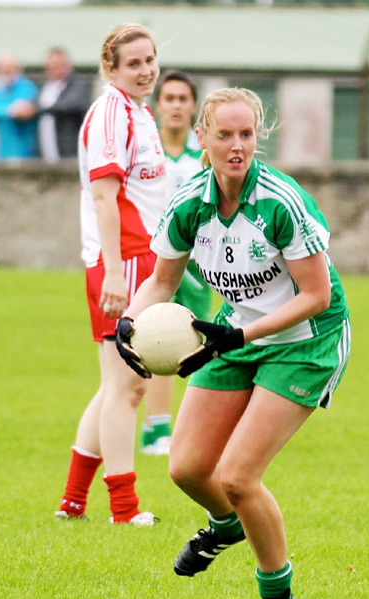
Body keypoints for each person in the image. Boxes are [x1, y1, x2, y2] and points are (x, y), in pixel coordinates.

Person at [115, 87, 351, 599]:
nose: (237, 145)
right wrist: (129, 321)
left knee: (238, 477)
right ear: (203, 137)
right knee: (188, 468)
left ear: (257, 138)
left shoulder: (280, 201)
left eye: (247, 134)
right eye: (225, 134)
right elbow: (161, 281)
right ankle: (226, 526)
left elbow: (316, 296)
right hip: (236, 334)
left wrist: (240, 336)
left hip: (305, 342)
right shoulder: (189, 206)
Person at [55, 23, 169, 525]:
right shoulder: (110, 113)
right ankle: (124, 509)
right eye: (134, 63)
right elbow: (104, 196)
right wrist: (115, 275)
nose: (146, 70)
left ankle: (73, 502)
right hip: (119, 260)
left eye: (150, 60)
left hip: (139, 257)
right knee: (130, 387)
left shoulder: (139, 113)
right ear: (111, 69)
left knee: (114, 385)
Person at [140, 70, 212, 455]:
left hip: (198, 264)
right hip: (155, 260)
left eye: (184, 99)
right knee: (155, 336)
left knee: (195, 342)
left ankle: (190, 429)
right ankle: (156, 428)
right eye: (169, 98)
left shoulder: (201, 159)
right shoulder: (148, 156)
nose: (177, 105)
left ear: (194, 106)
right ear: (157, 106)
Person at [37, 48, 91, 162]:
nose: (54, 68)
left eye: (58, 64)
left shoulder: (78, 83)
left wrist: (39, 109)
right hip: (46, 148)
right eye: (51, 65)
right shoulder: (43, 86)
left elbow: (70, 104)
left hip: (70, 149)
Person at [0, 53, 38, 160]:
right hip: (2, 152)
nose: (7, 71)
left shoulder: (27, 87)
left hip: (24, 152)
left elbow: (21, 111)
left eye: (10, 67)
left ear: (18, 69)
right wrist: (9, 109)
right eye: (3, 68)